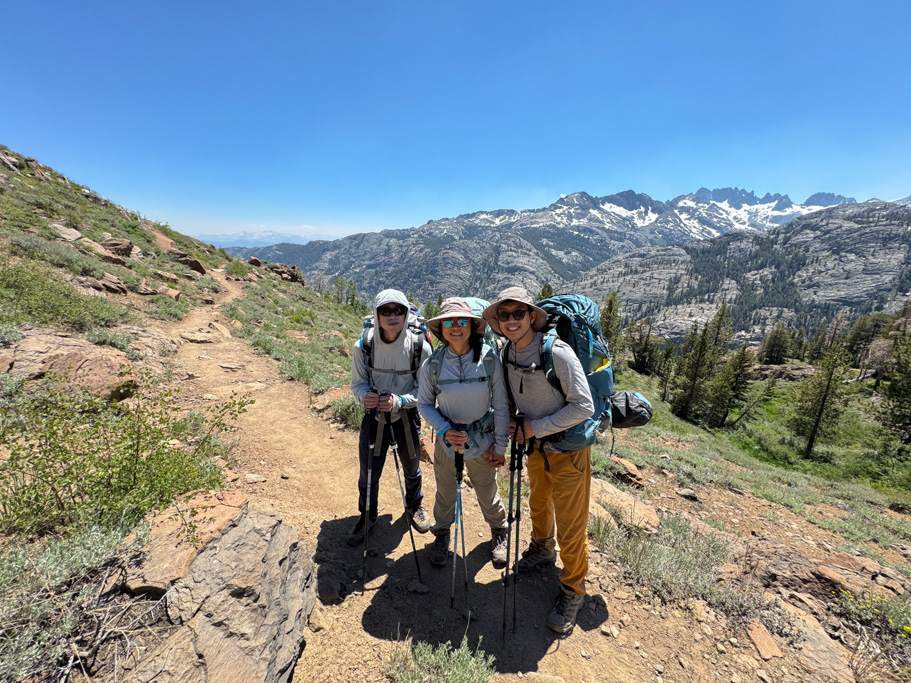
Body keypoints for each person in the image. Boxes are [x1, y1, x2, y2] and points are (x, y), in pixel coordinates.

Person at [483, 286, 595, 635]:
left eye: (519, 313)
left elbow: (584, 406)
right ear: (498, 321)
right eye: (505, 315)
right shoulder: (506, 353)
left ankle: (573, 589)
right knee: (538, 504)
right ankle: (543, 549)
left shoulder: (557, 353)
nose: (512, 320)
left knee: (571, 522)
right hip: (536, 446)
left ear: (532, 316)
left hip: (567, 450)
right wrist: (515, 434)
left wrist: (536, 427)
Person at [417, 298, 509, 568]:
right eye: (449, 322)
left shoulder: (489, 360)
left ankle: (499, 531)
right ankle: (442, 532)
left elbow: (502, 404)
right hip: (447, 443)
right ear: (441, 328)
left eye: (461, 321)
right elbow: (424, 403)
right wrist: (444, 429)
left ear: (472, 326)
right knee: (445, 491)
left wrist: (501, 445)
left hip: (481, 440)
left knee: (486, 489)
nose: (455, 327)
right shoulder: (433, 365)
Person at [348, 289, 432, 546]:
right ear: (377, 314)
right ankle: (368, 514)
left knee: (412, 467)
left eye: (399, 310)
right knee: (369, 471)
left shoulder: (420, 347)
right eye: (386, 310)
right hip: (374, 417)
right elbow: (357, 384)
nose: (393, 316)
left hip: (406, 418)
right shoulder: (363, 345)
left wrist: (399, 401)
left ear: (406, 313)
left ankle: (414, 505)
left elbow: (427, 393)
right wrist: (365, 397)